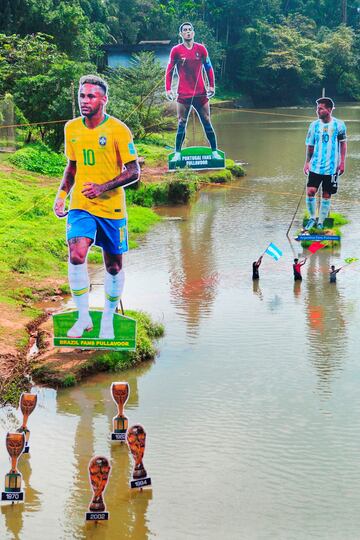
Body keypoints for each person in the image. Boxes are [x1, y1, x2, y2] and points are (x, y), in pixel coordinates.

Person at [54, 75, 140, 339]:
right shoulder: (72, 129)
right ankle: (83, 318)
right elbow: (72, 166)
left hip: (112, 209)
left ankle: (108, 319)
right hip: (81, 204)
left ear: (104, 99)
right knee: (77, 253)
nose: (85, 101)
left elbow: (134, 171)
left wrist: (103, 187)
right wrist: (61, 195)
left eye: (91, 96)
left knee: (113, 267)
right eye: (82, 96)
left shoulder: (118, 130)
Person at [165, 21, 222, 161]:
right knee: (181, 122)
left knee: (207, 120)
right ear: (181, 34)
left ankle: (214, 151)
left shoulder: (201, 49)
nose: (188, 32)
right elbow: (169, 70)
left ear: (193, 32)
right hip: (183, 94)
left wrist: (212, 86)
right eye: (185, 30)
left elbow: (208, 68)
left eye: (190, 30)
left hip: (201, 94)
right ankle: (178, 153)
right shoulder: (176, 50)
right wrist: (168, 89)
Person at [303, 97, 347, 230]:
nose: (318, 111)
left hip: (332, 168)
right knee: (311, 191)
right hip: (316, 166)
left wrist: (342, 162)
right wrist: (307, 162)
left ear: (329, 109)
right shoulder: (314, 125)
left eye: (320, 108)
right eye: (317, 108)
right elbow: (310, 146)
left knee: (326, 194)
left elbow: (343, 144)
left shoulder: (339, 125)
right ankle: (312, 218)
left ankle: (321, 222)